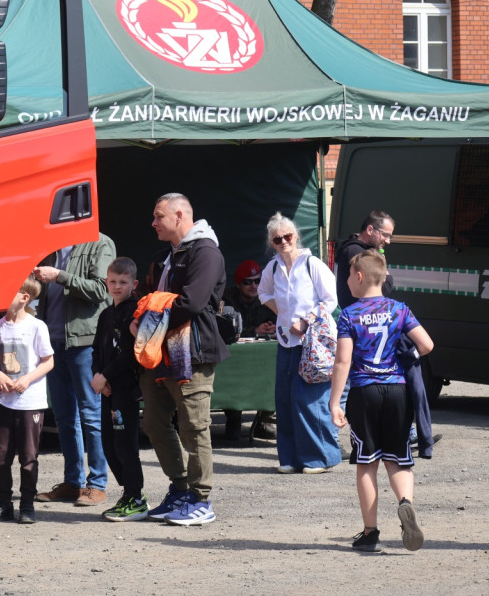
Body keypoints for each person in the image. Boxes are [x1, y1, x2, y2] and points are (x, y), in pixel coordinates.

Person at [329, 249, 435, 552]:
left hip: (365, 392)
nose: (347, 280)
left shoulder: (349, 315)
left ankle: (370, 532)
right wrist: (405, 358)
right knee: (398, 458)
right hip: (397, 390)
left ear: (359, 277)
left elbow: (343, 362)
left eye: (349, 274)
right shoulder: (399, 309)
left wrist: (335, 401)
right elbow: (426, 344)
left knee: (366, 463)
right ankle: (405, 503)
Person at [133, 193, 228, 526]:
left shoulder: (206, 252)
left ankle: (201, 500)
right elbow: (151, 298)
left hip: (193, 354)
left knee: (195, 427)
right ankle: (179, 489)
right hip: (160, 354)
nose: (153, 223)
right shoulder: (166, 256)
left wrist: (145, 323)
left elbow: (191, 302)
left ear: (179, 215)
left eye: (159, 216)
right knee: (154, 423)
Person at [335, 211, 439, 458]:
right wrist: (411, 353)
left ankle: (414, 435)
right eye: (386, 235)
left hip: (368, 351)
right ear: (370, 230)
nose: (388, 241)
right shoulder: (356, 255)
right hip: (366, 338)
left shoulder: (361, 254)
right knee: (356, 383)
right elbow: (387, 286)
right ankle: (412, 437)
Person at [33, 234, 115, 506]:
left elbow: (102, 291)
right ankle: (73, 483)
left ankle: (97, 485)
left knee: (91, 415)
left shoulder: (100, 242)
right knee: (65, 418)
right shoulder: (49, 244)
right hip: (52, 343)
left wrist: (60, 276)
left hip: (84, 343)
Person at [257, 212, 341, 474]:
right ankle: (290, 459)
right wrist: (281, 313)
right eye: (277, 239)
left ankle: (319, 458)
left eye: (287, 236)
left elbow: (330, 300)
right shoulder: (272, 268)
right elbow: (263, 293)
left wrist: (306, 321)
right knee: (284, 398)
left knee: (309, 399)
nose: (283, 241)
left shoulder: (312, 263)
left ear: (296, 237)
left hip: (312, 342)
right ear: (272, 243)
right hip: (286, 340)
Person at [0, 275, 54, 524]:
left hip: (29, 402)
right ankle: (3, 504)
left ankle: (27, 505)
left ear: (24, 298)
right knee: (0, 455)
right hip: (2, 401)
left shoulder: (36, 327)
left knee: (28, 456)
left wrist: (27, 379)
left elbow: (48, 361)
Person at [90, 257, 148, 521]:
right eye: (112, 281)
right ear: (106, 282)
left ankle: (135, 496)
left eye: (123, 282)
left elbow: (128, 353)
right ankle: (128, 494)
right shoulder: (105, 314)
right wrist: (98, 377)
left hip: (125, 389)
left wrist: (106, 376)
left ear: (133, 283)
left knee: (125, 444)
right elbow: (96, 350)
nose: (117, 286)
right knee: (108, 445)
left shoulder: (135, 311)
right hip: (107, 389)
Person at [221, 259, 277, 440]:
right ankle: (233, 420)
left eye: (257, 281)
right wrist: (254, 331)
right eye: (248, 281)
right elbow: (226, 330)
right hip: (234, 357)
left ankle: (264, 420)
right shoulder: (227, 300)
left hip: (262, 357)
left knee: (275, 374)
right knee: (230, 377)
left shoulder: (268, 298)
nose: (254, 285)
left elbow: (280, 320)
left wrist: (273, 328)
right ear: (238, 284)